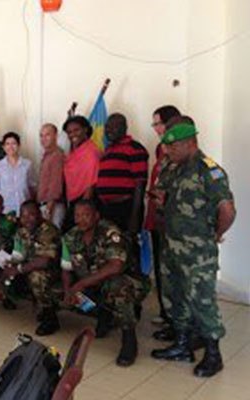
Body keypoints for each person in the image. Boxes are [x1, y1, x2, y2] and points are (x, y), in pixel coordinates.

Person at [150, 121, 236, 378]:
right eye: (167, 145)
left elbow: (227, 210)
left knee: (202, 301)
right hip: (171, 245)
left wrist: (217, 233)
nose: (168, 150)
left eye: (174, 146)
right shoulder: (170, 166)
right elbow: (161, 193)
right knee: (174, 296)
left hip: (198, 252)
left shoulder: (209, 171)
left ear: (191, 143)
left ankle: (213, 354)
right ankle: (182, 345)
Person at [60, 200, 149, 367]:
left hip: (128, 284)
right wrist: (68, 291)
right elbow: (66, 269)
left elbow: (116, 266)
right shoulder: (70, 237)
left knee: (117, 287)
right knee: (64, 294)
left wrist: (81, 284)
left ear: (96, 216)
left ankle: (129, 338)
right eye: (77, 215)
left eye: (86, 215)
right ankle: (104, 315)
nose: (81, 220)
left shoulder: (110, 232)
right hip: (94, 285)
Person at [0, 201, 61, 336]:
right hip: (30, 266)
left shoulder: (48, 231)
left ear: (39, 214)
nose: (27, 219)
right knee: (7, 268)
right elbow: (17, 255)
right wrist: (7, 270)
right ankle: (24, 301)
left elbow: (45, 261)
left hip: (55, 272)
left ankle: (50, 317)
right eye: (23, 216)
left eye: (31, 215)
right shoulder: (22, 231)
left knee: (36, 277)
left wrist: (18, 269)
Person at [146, 105, 181, 334]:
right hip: (157, 218)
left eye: (157, 123)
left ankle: (176, 321)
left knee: (172, 272)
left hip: (171, 223)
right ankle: (167, 314)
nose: (155, 128)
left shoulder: (178, 152)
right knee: (161, 269)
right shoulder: (161, 149)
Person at [96, 113, 149, 234]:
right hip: (107, 209)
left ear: (124, 128)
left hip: (125, 209)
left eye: (114, 127)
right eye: (107, 127)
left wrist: (134, 217)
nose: (109, 130)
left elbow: (140, 185)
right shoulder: (108, 150)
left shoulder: (135, 148)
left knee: (126, 248)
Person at [62, 115, 102, 232]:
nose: (72, 134)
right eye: (69, 132)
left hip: (86, 201)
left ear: (85, 130)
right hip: (75, 201)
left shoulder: (90, 151)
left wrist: (82, 211)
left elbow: (91, 182)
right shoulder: (75, 151)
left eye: (76, 130)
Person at [0, 132, 36, 216]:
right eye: (7, 144)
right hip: (5, 209)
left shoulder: (27, 164)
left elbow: (32, 187)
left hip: (24, 210)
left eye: (14, 143)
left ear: (19, 145)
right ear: (3, 147)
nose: (10, 147)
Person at [37, 123, 65, 227]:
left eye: (47, 135)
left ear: (56, 136)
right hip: (44, 205)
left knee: (51, 238)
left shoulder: (57, 155)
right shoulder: (46, 155)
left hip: (52, 206)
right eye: (41, 135)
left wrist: (49, 209)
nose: (43, 138)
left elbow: (55, 185)